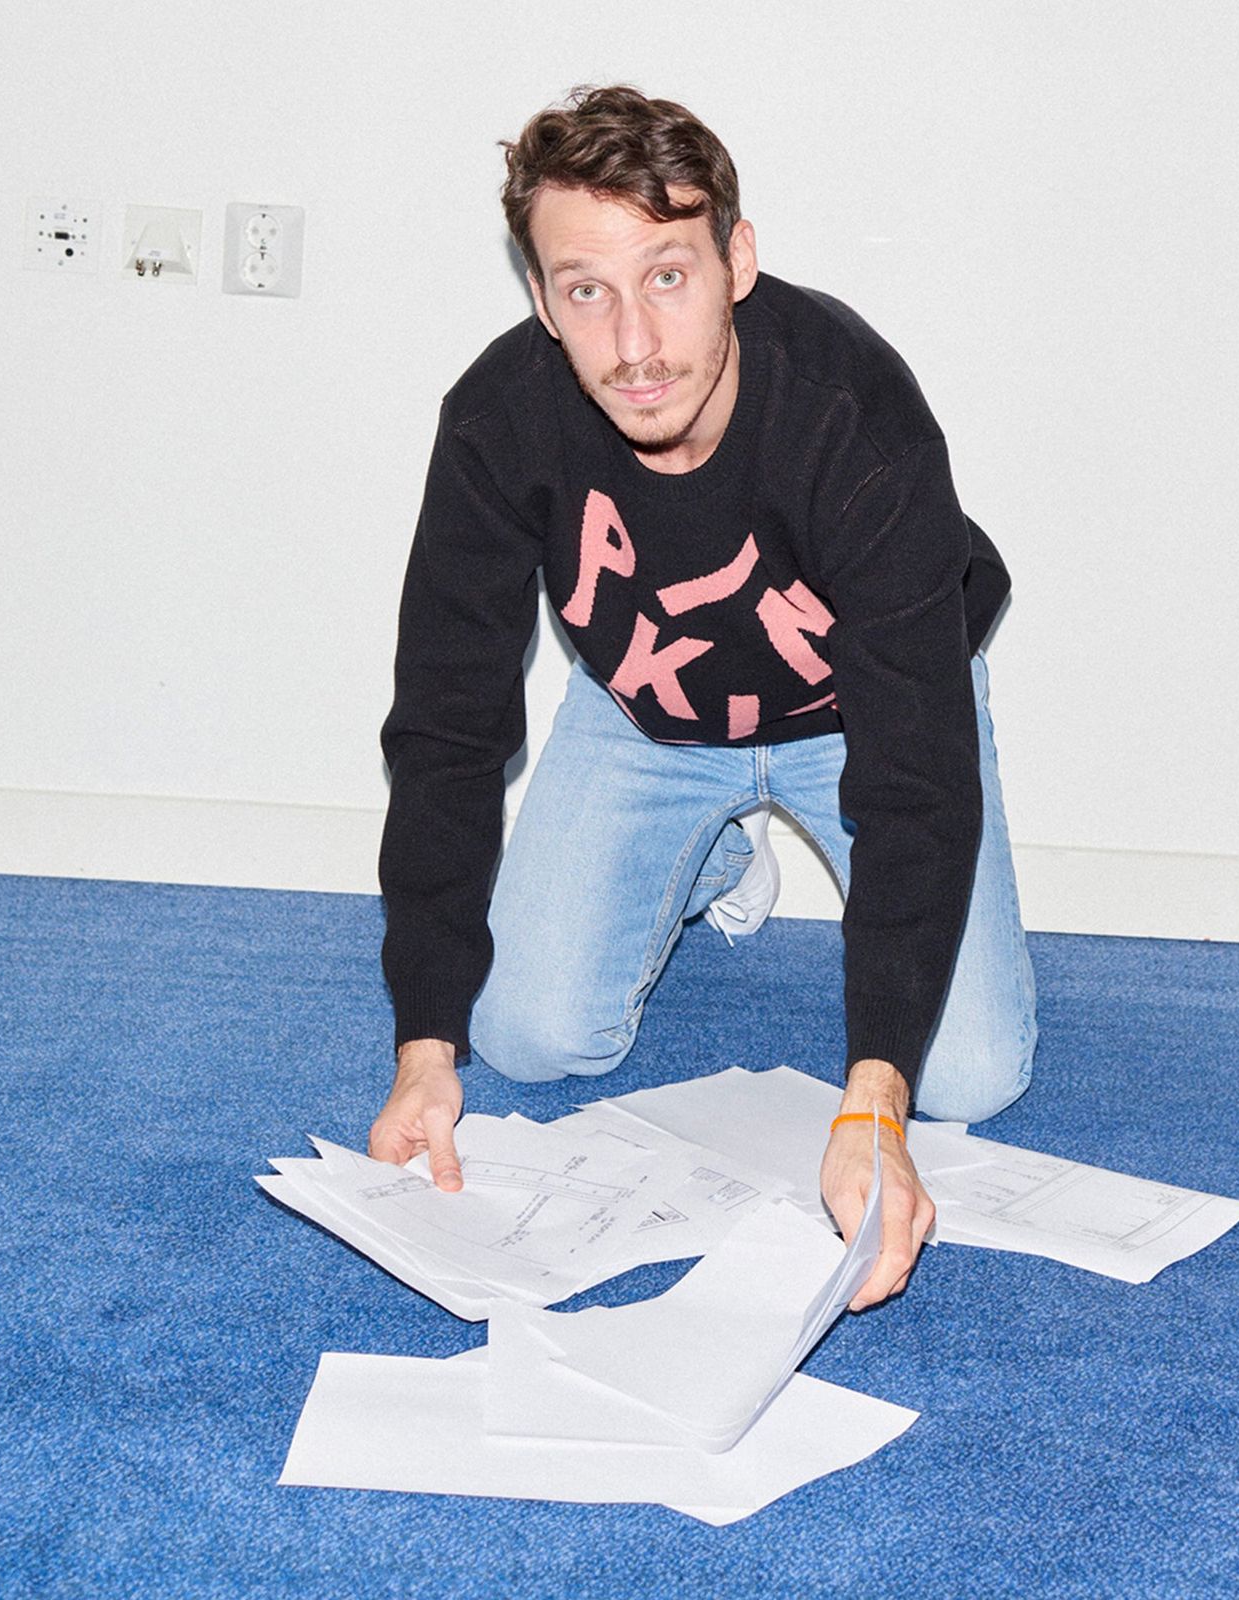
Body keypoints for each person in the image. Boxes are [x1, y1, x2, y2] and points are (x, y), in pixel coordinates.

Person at [368, 85, 1038, 1310]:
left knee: (970, 1078)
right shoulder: (495, 424)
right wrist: (423, 1046)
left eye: (667, 275)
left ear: (736, 259)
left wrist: (871, 1104)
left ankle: (755, 831)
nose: (632, 344)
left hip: (865, 714)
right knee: (523, 1037)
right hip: (652, 716)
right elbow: (448, 722)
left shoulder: (854, 411)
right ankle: (714, 850)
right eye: (586, 290)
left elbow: (918, 780)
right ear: (539, 298)